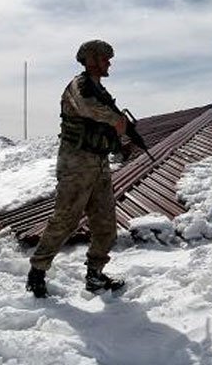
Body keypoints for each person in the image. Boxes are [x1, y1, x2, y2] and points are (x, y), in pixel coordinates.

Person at [26, 40, 128, 298]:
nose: (109, 63)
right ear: (91, 59)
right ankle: (37, 272)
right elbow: (86, 108)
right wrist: (116, 119)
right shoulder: (78, 86)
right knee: (65, 219)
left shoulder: (100, 91)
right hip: (76, 164)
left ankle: (95, 275)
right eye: (105, 58)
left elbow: (103, 124)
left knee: (105, 224)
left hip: (99, 164)